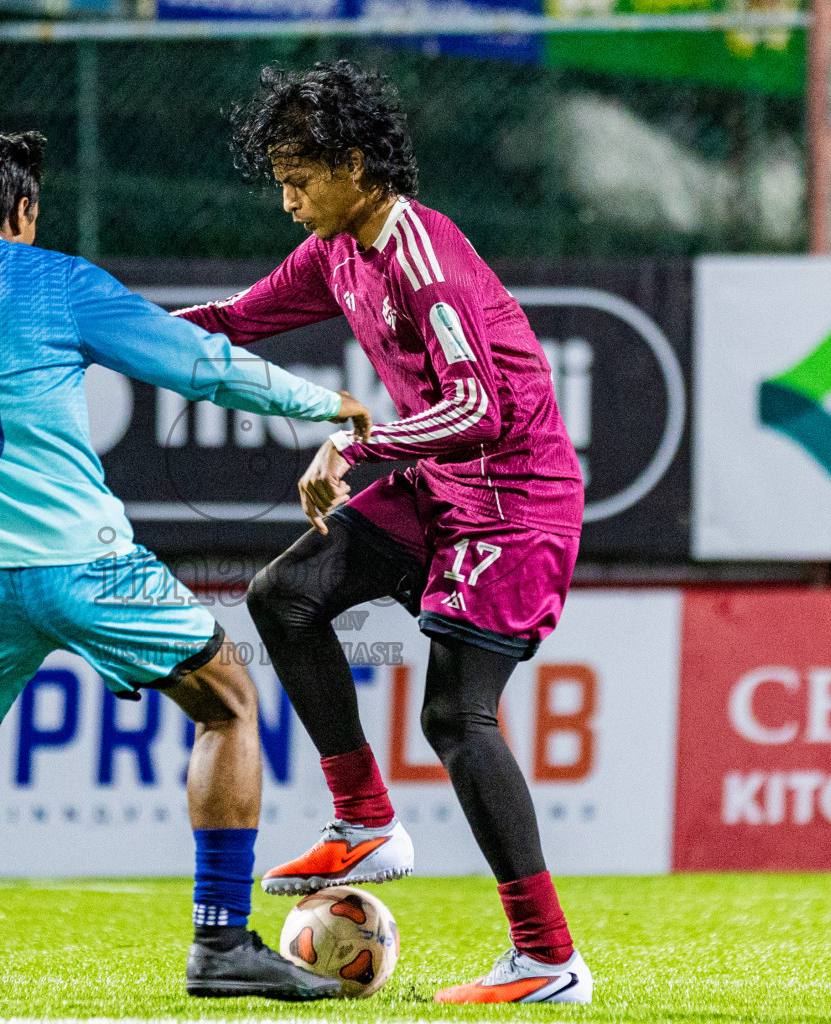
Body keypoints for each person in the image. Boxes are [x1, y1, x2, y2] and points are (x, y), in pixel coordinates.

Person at [0, 130, 370, 1012]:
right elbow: (198, 365)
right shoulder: (57, 280)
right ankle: (221, 942)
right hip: (82, 561)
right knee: (228, 701)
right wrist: (322, 403)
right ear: (23, 210)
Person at [173, 61, 593, 1005]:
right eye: (279, 180)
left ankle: (547, 961)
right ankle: (364, 821)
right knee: (284, 596)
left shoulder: (420, 256)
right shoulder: (337, 250)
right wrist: (107, 331)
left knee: (455, 715)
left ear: (357, 165)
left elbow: (480, 405)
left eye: (299, 178)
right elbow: (236, 321)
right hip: (441, 483)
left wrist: (352, 447)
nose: (287, 200)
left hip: (516, 499)